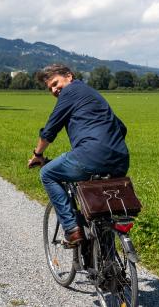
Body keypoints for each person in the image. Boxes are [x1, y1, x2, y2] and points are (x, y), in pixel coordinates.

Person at [28, 64, 129, 246]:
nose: (53, 89)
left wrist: (38, 154)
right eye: (50, 88)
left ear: (69, 76)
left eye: (55, 83)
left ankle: (72, 229)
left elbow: (50, 130)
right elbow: (121, 127)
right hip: (120, 159)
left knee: (47, 174)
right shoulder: (90, 93)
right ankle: (108, 267)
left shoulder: (70, 92)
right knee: (102, 212)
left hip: (90, 156)